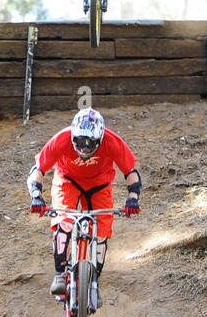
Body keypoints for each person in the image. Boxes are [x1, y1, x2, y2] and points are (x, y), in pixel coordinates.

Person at [27, 108, 141, 305]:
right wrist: (36, 196)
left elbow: (131, 172)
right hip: (67, 180)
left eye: (91, 144)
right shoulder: (61, 139)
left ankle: (94, 282)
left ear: (100, 138)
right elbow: (38, 170)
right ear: (73, 137)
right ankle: (60, 274)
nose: (85, 149)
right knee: (63, 223)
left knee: (103, 232)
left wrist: (133, 198)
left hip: (100, 184)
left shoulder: (112, 141)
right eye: (80, 143)